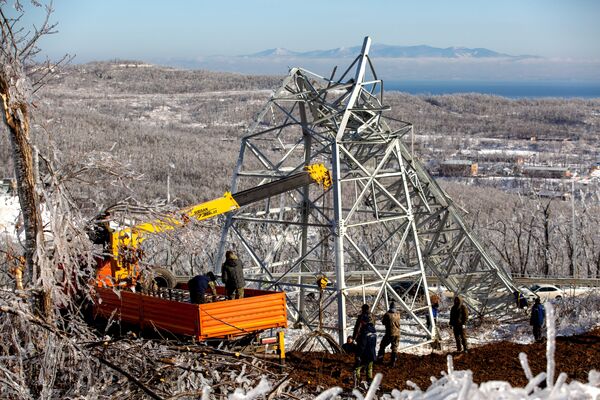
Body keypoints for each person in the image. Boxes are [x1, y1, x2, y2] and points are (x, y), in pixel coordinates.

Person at [353, 305, 377, 386]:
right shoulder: (372, 317)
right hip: (372, 352)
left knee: (358, 365)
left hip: (364, 349)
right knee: (369, 366)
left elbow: (357, 328)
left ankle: (358, 380)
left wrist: (354, 338)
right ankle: (370, 380)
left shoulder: (362, 318)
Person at [377, 301, 401, 366]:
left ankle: (380, 359)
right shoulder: (398, 314)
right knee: (394, 348)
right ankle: (393, 361)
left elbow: (383, 322)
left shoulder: (387, 314)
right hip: (397, 333)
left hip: (390, 333)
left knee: (382, 345)